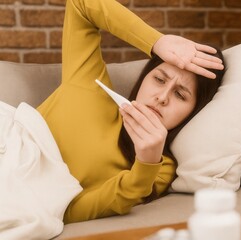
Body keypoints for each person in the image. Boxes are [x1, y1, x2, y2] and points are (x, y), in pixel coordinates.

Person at [37, 0, 225, 223]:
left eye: (180, 95)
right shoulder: (89, 86)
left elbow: (71, 212)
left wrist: (147, 162)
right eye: (159, 79)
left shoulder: (160, 166)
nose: (162, 97)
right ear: (144, 76)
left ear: (193, 112)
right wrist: (156, 42)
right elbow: (80, 4)